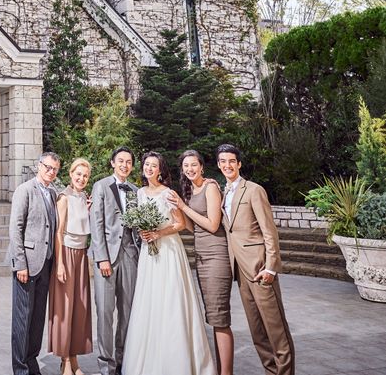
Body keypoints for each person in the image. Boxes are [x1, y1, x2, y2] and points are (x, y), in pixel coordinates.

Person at [122, 151, 215, 375]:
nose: (149, 168)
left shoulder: (168, 193)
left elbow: (180, 223)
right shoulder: (140, 193)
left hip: (169, 251)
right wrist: (144, 231)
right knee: (149, 301)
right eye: (146, 164)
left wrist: (158, 233)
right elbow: (136, 221)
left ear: (161, 170)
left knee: (171, 300)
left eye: (154, 165)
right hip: (149, 254)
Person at [217, 144, 295, 375]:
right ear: (219, 165)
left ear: (239, 164)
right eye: (223, 161)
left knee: (276, 331)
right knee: (257, 332)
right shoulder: (224, 193)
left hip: (260, 268)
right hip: (240, 271)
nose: (227, 165)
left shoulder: (253, 190)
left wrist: (271, 267)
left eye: (232, 161)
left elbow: (269, 231)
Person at [168, 150, 234, 375]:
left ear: (202, 166)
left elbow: (213, 225)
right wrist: (176, 210)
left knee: (220, 318)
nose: (190, 169)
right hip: (202, 258)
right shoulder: (189, 190)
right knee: (214, 317)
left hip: (217, 256)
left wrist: (184, 207)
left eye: (194, 165)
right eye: (186, 166)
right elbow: (192, 227)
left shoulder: (210, 187)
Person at [6, 151, 60, 375]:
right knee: (22, 320)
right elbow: (15, 228)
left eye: (55, 169)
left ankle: (31, 362)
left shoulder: (53, 193)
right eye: (48, 167)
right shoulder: (25, 190)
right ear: (39, 166)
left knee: (37, 319)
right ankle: (20, 369)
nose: (51, 172)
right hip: (27, 265)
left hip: (46, 264)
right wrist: (20, 264)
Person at [89, 146, 140, 375]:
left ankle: (122, 360)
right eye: (121, 161)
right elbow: (96, 224)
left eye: (128, 162)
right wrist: (102, 258)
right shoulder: (100, 186)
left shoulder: (135, 190)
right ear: (112, 162)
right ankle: (105, 364)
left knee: (127, 312)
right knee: (105, 313)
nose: (124, 165)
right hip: (107, 258)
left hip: (130, 256)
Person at [48, 158, 93, 375]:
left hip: (81, 256)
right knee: (65, 309)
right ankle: (65, 360)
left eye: (85, 175)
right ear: (71, 174)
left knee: (79, 309)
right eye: (78, 174)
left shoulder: (84, 197)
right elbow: (58, 232)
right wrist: (60, 264)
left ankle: (74, 359)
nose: (81, 178)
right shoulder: (63, 198)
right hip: (66, 254)